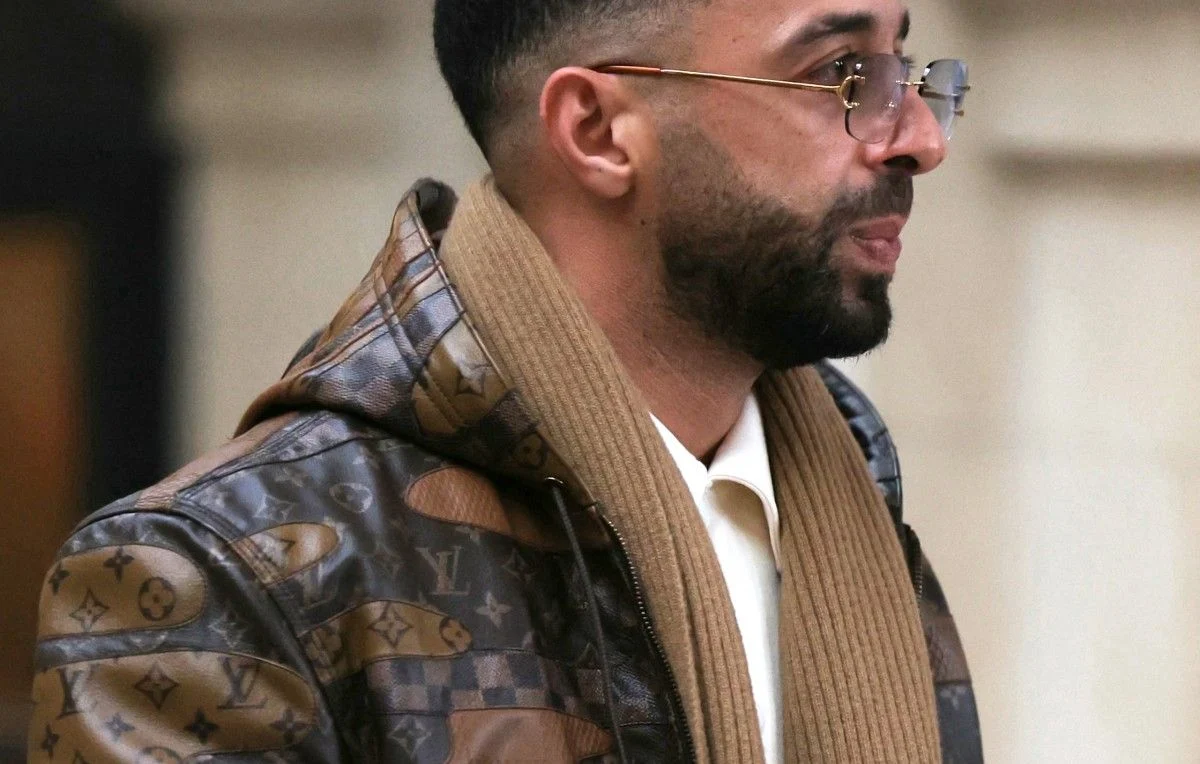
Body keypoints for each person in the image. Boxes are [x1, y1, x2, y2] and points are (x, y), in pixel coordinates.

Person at [28, 0, 980, 760]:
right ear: (599, 130)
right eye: (839, 75)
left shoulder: (844, 499)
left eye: (904, 69)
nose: (919, 140)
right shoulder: (220, 583)